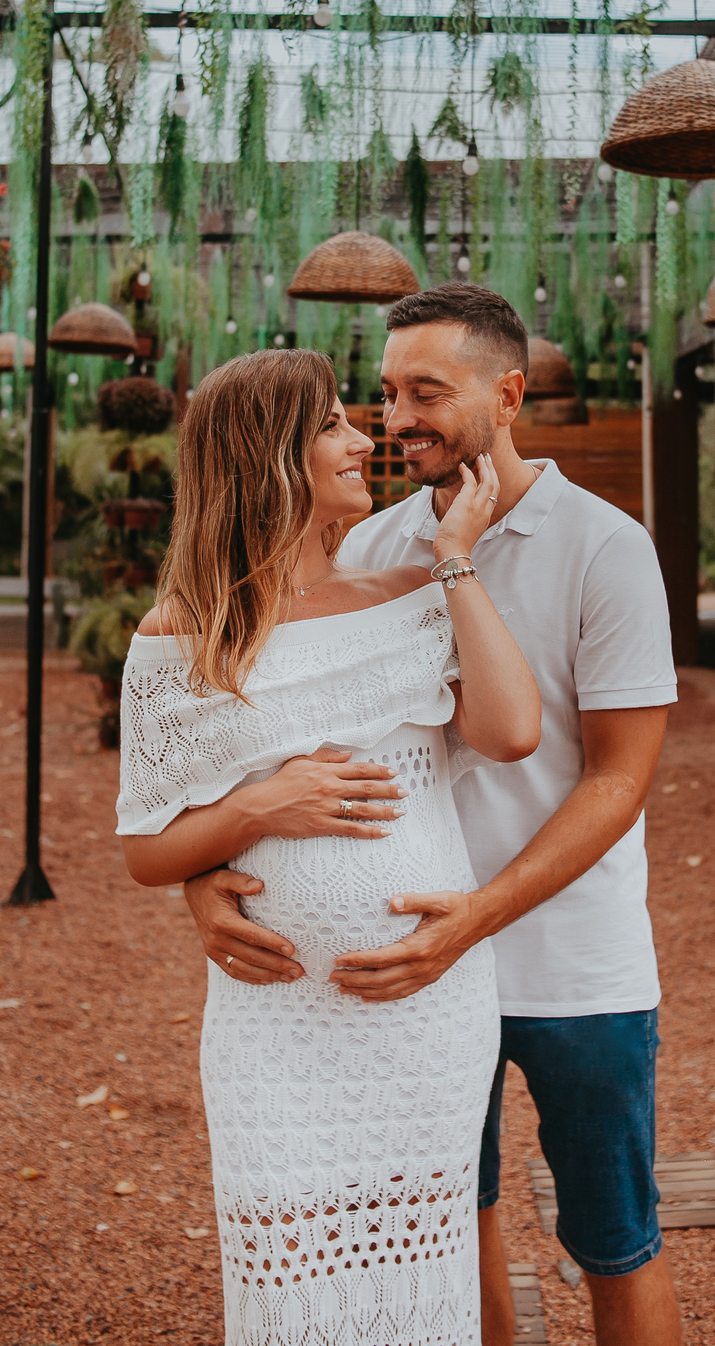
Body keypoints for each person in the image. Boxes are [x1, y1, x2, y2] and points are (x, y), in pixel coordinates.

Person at [185, 286, 683, 1346]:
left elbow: (615, 781)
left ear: (507, 394)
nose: (394, 418)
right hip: (411, 977)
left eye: (425, 391)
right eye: (383, 393)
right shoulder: (366, 546)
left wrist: (475, 918)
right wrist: (201, 875)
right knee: (447, 1228)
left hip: (571, 963)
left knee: (616, 1236)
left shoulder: (607, 548)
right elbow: (271, 736)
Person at [115, 348, 541, 1346]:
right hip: (271, 1019)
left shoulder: (412, 594)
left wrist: (457, 557)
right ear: (269, 459)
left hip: (422, 1017)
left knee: (422, 1264)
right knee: (285, 1265)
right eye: (336, 427)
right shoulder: (180, 637)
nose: (366, 443)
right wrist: (264, 804)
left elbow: (513, 729)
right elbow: (147, 848)